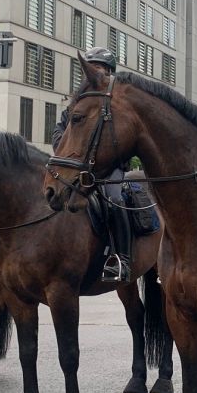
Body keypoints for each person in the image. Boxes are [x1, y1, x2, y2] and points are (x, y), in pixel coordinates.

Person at [52, 46, 134, 283]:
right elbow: (62, 131)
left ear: (109, 73)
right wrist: (67, 150)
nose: (93, 72)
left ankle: (122, 259)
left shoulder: (116, 103)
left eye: (98, 68)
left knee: (115, 200)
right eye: (91, 68)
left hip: (109, 168)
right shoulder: (78, 102)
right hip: (78, 166)